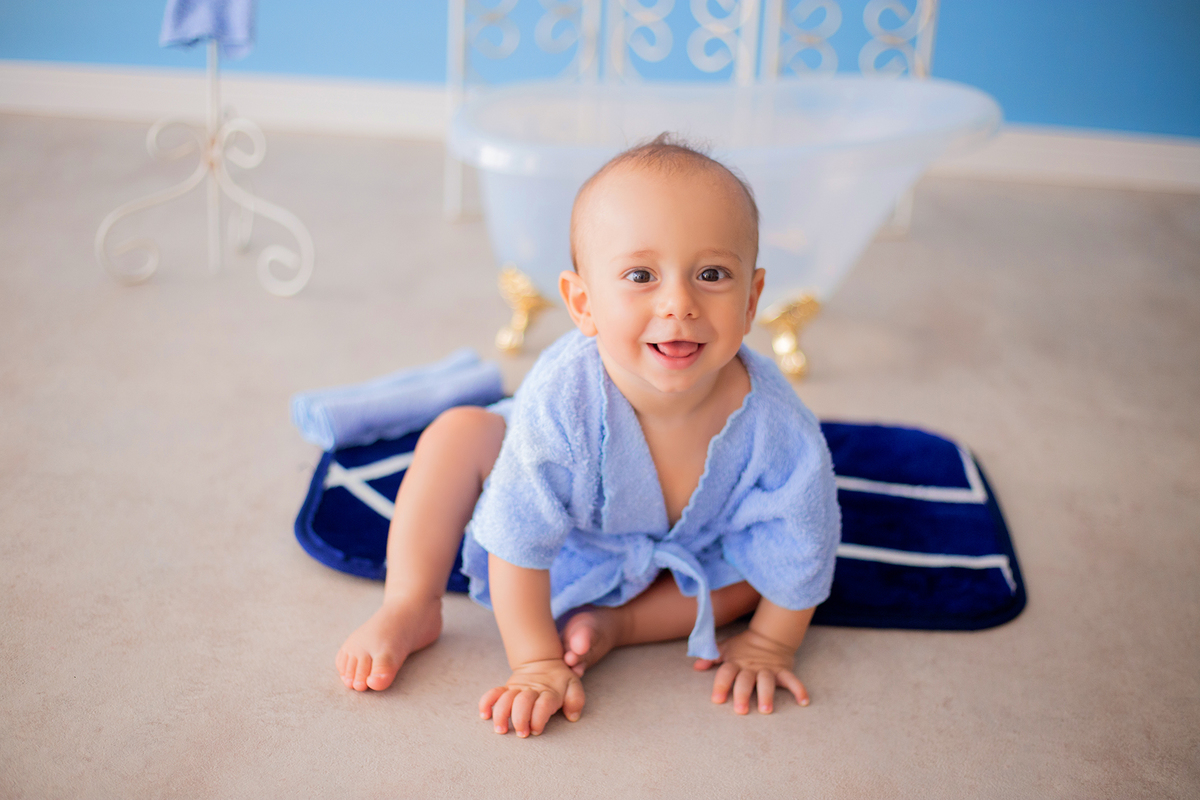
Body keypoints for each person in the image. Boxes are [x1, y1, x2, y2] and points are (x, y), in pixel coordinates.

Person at [335, 134, 841, 738]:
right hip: (567, 531)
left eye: (711, 274)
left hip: (688, 552)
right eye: (640, 275)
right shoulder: (563, 401)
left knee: (754, 583)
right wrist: (536, 663)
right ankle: (409, 604)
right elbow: (517, 533)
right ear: (583, 303)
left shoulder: (777, 426)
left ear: (753, 297)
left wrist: (770, 643)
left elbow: (803, 539)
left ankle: (618, 626)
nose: (678, 303)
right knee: (456, 434)